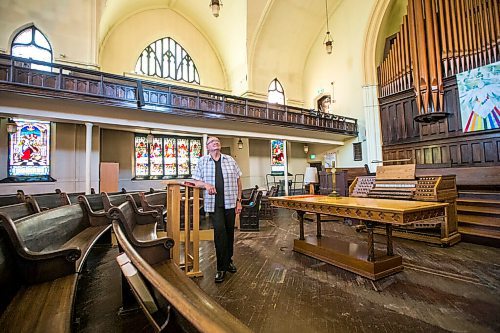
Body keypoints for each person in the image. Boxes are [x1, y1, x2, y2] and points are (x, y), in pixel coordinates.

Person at [192, 136, 242, 283]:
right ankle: (221, 268)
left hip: (230, 203)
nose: (216, 143)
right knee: (220, 234)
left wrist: (239, 201)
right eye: (212, 142)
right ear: (208, 147)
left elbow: (239, 180)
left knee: (229, 233)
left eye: (218, 141)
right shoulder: (202, 161)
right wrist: (206, 185)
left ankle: (228, 261)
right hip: (214, 204)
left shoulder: (230, 160)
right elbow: (195, 181)